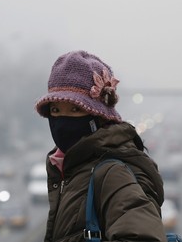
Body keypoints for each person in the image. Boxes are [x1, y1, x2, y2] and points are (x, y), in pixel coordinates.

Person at [35, 50, 167, 242]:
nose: (62, 121)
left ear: (99, 117)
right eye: (55, 110)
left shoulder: (111, 174)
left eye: (75, 109)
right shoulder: (72, 168)